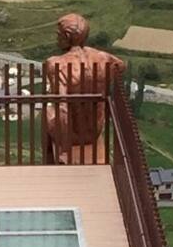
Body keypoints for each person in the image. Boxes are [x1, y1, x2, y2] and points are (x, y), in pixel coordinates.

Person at [43, 13, 125, 164]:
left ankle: (49, 159)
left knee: (48, 111)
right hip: (94, 131)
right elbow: (120, 65)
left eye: (58, 34)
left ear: (67, 36)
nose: (56, 38)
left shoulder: (56, 64)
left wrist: (65, 151)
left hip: (72, 135)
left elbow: (63, 107)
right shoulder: (103, 57)